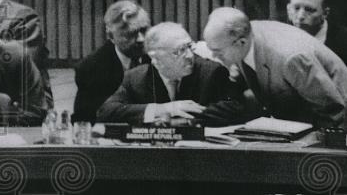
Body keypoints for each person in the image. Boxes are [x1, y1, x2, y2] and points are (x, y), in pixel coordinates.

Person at [202, 7, 347, 129]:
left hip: (343, 120)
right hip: (305, 116)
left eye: (218, 51)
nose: (215, 56)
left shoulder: (289, 57)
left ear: (241, 43)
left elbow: (333, 109)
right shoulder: (242, 38)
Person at [97, 22, 245, 126]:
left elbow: (236, 108)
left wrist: (178, 119)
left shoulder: (211, 71)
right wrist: (163, 109)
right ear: (156, 59)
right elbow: (106, 112)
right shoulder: (134, 78)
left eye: (189, 47)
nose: (189, 56)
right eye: (179, 51)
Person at [72, 0, 150, 123]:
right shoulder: (92, 68)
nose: (141, 39)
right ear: (111, 36)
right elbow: (89, 117)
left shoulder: (157, 56)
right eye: (131, 33)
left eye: (144, 30)